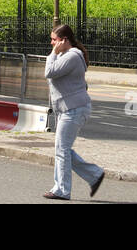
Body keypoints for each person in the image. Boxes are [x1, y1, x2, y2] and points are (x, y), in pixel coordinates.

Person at [43, 23, 105, 201]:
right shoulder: (65, 55)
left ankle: (62, 190)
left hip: (74, 109)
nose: (51, 43)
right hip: (68, 109)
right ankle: (94, 175)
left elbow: (49, 72)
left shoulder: (71, 56)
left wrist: (54, 53)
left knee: (61, 149)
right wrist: (56, 52)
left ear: (64, 40)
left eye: (54, 40)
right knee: (63, 149)